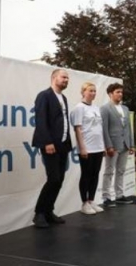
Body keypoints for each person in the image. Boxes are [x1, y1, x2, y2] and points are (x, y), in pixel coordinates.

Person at [32, 69, 72, 228]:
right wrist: (47, 142)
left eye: (67, 78)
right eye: (63, 77)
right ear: (54, 78)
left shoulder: (64, 98)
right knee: (53, 178)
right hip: (50, 145)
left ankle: (48, 211)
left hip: (63, 145)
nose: (66, 80)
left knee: (59, 179)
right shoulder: (44, 95)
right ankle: (39, 213)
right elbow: (41, 120)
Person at [71, 82, 106, 215]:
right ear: (83, 92)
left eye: (94, 91)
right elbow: (78, 129)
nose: (93, 93)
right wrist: (82, 148)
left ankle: (91, 200)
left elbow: (99, 128)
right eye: (90, 91)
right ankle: (84, 203)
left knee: (95, 174)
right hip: (87, 147)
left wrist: (102, 146)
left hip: (98, 147)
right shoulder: (79, 108)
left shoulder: (96, 108)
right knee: (86, 174)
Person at [100, 83, 135, 208]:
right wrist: (108, 146)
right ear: (110, 94)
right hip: (113, 146)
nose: (120, 94)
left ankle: (119, 195)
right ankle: (106, 197)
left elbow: (128, 128)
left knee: (121, 171)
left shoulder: (125, 108)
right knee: (109, 171)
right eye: (117, 92)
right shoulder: (105, 108)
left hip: (125, 145)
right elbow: (104, 129)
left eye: (121, 92)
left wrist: (131, 144)